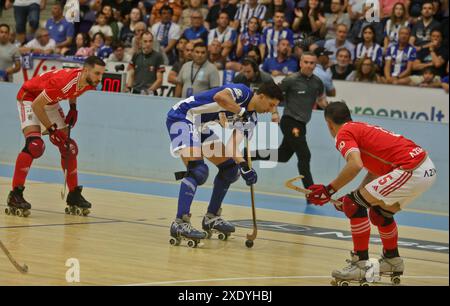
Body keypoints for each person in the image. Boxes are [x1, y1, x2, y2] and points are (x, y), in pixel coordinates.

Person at [306, 101, 436, 284]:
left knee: (354, 204)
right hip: (423, 167)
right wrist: (358, 195)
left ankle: (360, 265)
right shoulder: (360, 128)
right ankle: (392, 260)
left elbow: (355, 164)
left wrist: (329, 190)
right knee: (379, 213)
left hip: (411, 169)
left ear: (328, 123)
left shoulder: (344, 133)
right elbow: (373, 170)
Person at [166, 82, 283, 245]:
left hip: (201, 125)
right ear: (261, 96)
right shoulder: (242, 93)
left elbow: (232, 147)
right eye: (271, 105)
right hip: (182, 116)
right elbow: (219, 97)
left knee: (230, 170)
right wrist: (241, 111)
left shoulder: (252, 119)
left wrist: (245, 167)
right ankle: (180, 222)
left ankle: (211, 217)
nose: (270, 110)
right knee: (198, 171)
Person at [7, 56, 106, 217]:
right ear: (86, 70)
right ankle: (15, 194)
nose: (100, 78)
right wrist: (52, 130)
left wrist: (73, 107)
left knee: (69, 147)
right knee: (35, 145)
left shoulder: (88, 81)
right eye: (97, 73)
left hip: (50, 99)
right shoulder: (62, 83)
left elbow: (75, 89)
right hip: (30, 97)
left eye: (102, 74)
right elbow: (37, 105)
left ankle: (73, 194)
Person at [253, 52, 328, 192]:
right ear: (300, 63)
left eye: (312, 63)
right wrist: (274, 113)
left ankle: (248, 154)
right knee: (305, 154)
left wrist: (330, 111)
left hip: (302, 125)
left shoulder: (318, 82)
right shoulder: (291, 79)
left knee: (283, 156)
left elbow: (321, 100)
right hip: (290, 122)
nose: (309, 65)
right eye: (306, 62)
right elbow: (273, 94)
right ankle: (311, 192)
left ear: (315, 65)